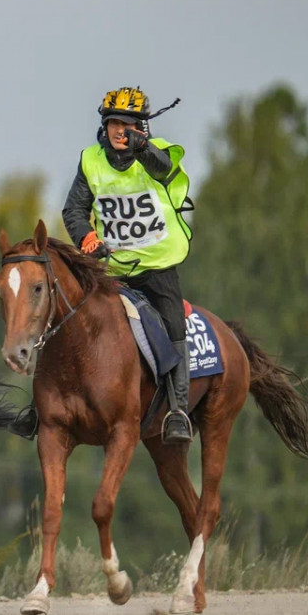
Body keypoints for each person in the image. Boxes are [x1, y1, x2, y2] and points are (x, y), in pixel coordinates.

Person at [62, 86, 194, 443]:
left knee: (173, 324)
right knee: (67, 315)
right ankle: (46, 405)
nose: (119, 130)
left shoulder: (160, 153)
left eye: (128, 124)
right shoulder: (90, 160)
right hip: (112, 269)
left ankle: (179, 412)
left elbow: (162, 168)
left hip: (157, 265)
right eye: (113, 123)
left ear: (142, 127)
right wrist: (86, 238)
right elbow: (73, 210)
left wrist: (142, 147)